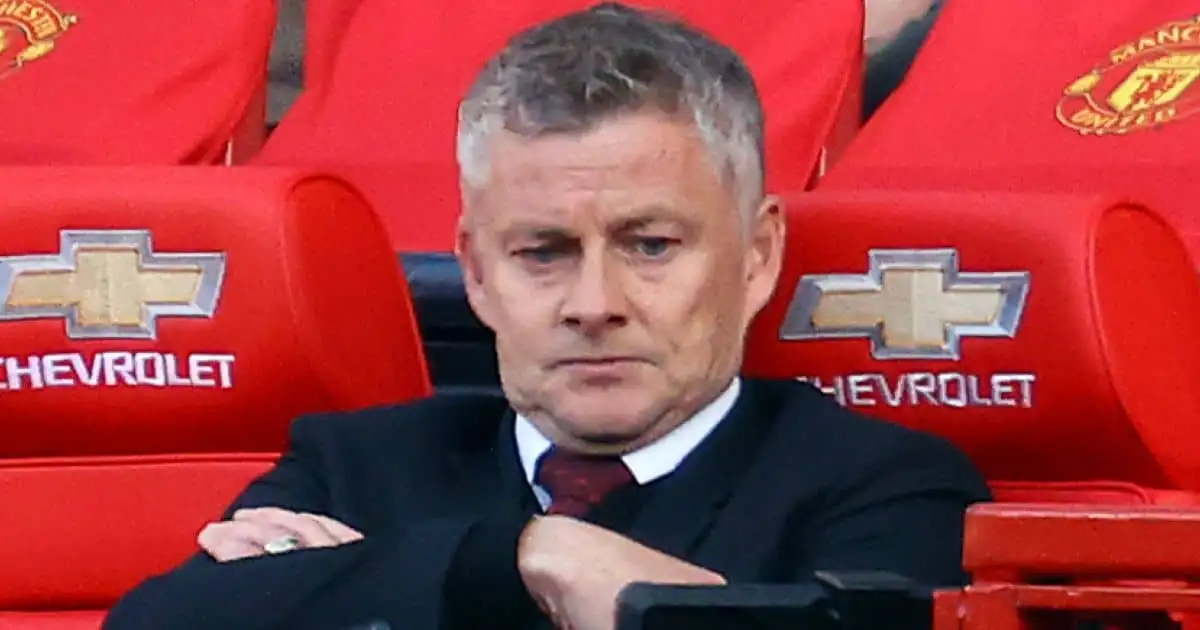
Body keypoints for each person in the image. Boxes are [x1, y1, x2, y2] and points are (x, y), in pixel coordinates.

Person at [103, 4, 990, 630]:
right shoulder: (352, 467)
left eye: (649, 245)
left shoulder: (887, 487)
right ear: (477, 273)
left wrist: (377, 587)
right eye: (543, 252)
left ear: (756, 258)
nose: (594, 305)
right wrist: (534, 558)